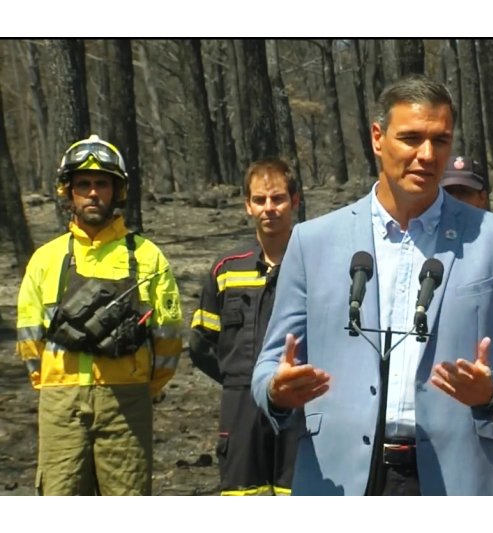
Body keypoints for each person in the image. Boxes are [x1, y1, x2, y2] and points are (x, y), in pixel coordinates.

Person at [251, 74, 493, 496]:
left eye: (440, 140)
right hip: (340, 478)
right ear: (378, 138)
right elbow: (268, 367)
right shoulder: (313, 242)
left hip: (456, 479)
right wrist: (277, 392)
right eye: (411, 138)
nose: (427, 155)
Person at [16, 134, 183, 495]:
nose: (93, 193)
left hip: (128, 403)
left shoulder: (148, 257)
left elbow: (169, 336)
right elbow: (29, 336)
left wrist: (144, 387)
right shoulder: (45, 260)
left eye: (102, 184)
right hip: (60, 405)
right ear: (68, 192)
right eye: (84, 184)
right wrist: (51, 385)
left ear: (116, 191)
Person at [190, 158, 302, 495]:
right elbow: (201, 344)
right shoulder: (226, 270)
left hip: (302, 409)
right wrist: (240, 381)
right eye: (259, 200)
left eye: (278, 198)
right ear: (247, 206)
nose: (269, 208)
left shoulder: (315, 262)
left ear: (295, 202)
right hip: (240, 411)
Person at [440, 155, 493, 489]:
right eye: (450, 193)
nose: (457, 202)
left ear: (483, 198)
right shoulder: (423, 249)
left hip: (485, 418)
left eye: (466, 193)